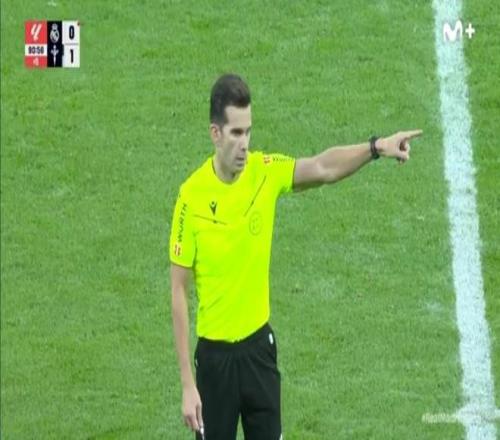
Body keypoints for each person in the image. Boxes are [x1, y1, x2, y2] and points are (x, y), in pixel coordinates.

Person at [169, 73, 422, 440]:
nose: (244, 144)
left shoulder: (264, 173)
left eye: (248, 132)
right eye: (236, 133)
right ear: (215, 134)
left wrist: (376, 147)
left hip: (259, 352)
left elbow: (322, 168)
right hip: (214, 363)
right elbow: (178, 290)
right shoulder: (190, 197)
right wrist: (187, 383)